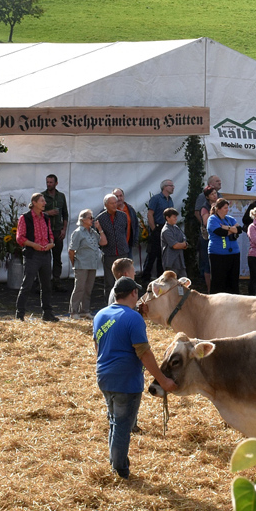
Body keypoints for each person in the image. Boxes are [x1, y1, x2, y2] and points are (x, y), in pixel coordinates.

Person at [94, 277, 177, 478]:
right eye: (137, 293)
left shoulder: (100, 314)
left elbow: (97, 346)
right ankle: (120, 469)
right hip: (126, 381)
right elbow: (144, 353)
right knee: (122, 425)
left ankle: (115, 463)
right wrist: (163, 380)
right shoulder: (133, 319)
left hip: (104, 377)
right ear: (132, 293)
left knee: (115, 420)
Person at [14, 193, 57, 322]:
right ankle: (20, 314)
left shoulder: (45, 217)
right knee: (27, 284)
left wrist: (51, 243)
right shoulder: (25, 218)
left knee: (46, 285)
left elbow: (50, 233)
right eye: (42, 201)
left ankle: (47, 313)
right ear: (34, 203)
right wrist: (34, 245)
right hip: (32, 254)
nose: (44, 203)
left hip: (45, 254)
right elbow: (20, 237)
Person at [67, 209, 106, 318]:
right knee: (79, 288)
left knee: (88, 288)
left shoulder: (93, 232)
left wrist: (100, 230)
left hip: (92, 265)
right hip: (81, 265)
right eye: (90, 218)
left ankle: (85, 310)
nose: (92, 220)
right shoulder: (78, 232)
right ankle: (73, 311)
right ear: (83, 219)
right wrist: (74, 263)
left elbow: (103, 242)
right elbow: (71, 250)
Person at [96, 194, 131, 303]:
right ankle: (109, 305)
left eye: (115, 202)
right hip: (109, 253)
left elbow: (125, 231)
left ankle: (126, 302)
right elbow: (97, 237)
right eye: (112, 203)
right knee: (109, 282)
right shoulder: (100, 218)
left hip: (122, 251)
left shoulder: (123, 216)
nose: (115, 205)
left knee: (125, 279)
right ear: (106, 205)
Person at [207, 198, 242, 294]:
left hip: (233, 252)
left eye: (228, 208)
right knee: (219, 280)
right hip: (218, 254)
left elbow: (239, 230)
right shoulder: (213, 219)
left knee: (233, 280)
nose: (227, 210)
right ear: (218, 209)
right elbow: (220, 232)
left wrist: (227, 228)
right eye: (225, 208)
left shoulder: (230, 219)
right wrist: (232, 230)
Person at [41, 175, 69, 291]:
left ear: (56, 183)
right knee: (44, 258)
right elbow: (37, 213)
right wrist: (48, 213)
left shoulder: (61, 196)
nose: (48, 184)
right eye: (47, 182)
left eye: (51, 182)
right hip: (45, 232)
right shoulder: (42, 196)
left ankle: (56, 281)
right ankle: (43, 283)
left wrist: (64, 229)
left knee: (57, 258)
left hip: (57, 231)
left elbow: (65, 214)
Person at [145, 179, 175, 279]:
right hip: (157, 228)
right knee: (152, 254)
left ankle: (160, 276)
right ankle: (146, 276)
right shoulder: (156, 199)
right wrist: (154, 230)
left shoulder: (170, 200)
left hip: (167, 228)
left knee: (163, 254)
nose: (173, 187)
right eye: (171, 185)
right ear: (165, 187)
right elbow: (150, 214)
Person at [160, 208, 188, 278]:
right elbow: (175, 245)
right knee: (172, 284)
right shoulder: (166, 230)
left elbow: (184, 238)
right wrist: (183, 245)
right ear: (167, 218)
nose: (176, 218)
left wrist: (183, 244)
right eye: (174, 217)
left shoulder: (176, 228)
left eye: (176, 217)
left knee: (183, 283)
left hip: (180, 261)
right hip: (171, 263)